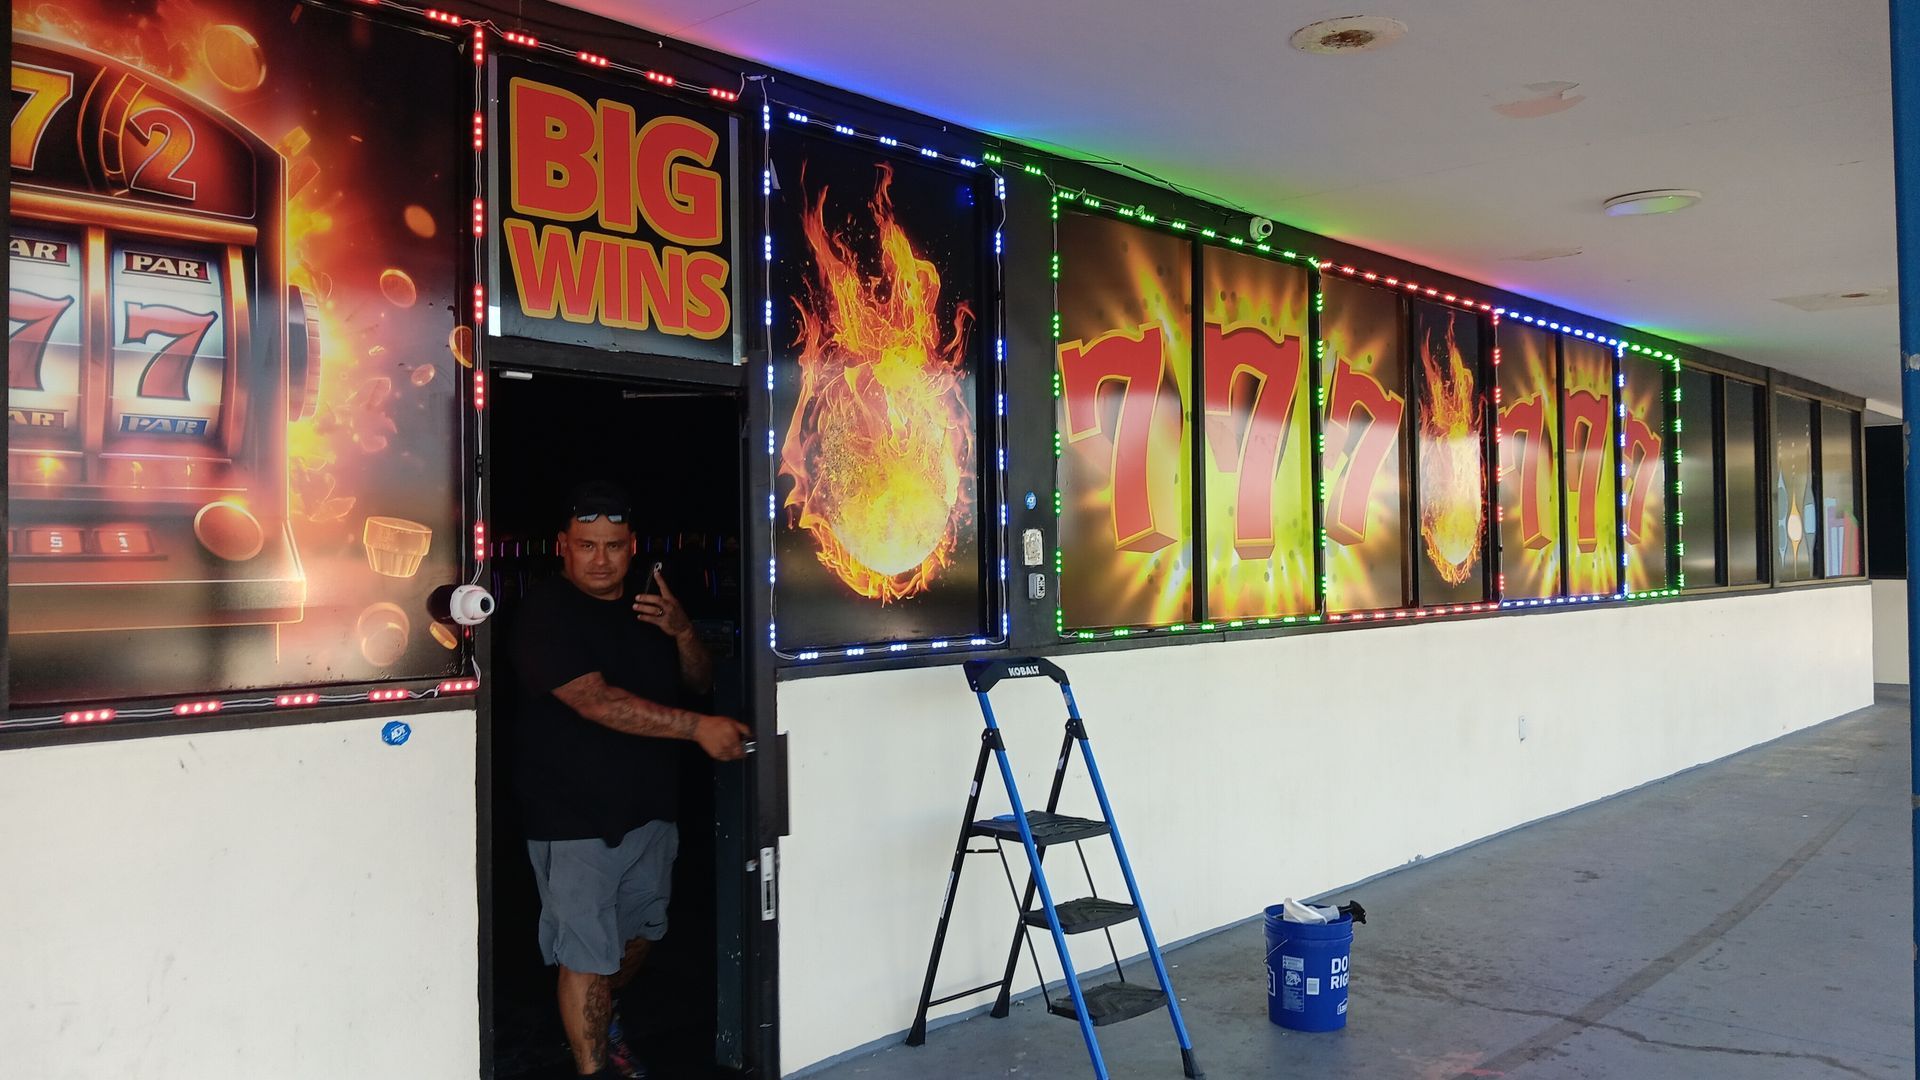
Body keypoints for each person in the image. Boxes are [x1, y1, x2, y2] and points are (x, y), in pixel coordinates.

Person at [511, 480, 751, 1079]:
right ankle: (594, 1068)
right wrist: (697, 729)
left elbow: (699, 681)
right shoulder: (545, 612)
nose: (601, 559)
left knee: (643, 934)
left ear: (632, 546)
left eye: (613, 546)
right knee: (586, 957)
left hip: (651, 811)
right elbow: (595, 700)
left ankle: (604, 1019)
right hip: (573, 820)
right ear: (562, 546)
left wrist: (684, 631)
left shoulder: (650, 606)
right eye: (586, 545)